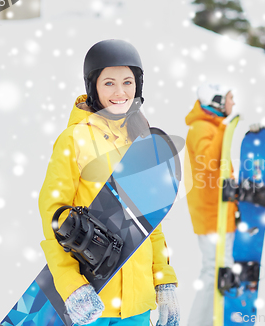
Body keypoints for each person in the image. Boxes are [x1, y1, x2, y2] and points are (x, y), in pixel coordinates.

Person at [38, 39, 180, 326]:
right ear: (94, 87)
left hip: (137, 305)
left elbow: (150, 222)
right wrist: (70, 284)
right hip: (92, 302)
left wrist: (164, 280)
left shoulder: (141, 140)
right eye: (109, 83)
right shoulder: (73, 139)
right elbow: (52, 215)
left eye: (128, 82)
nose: (120, 92)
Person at [184, 83, 238, 326]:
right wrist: (226, 128)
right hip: (210, 214)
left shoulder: (210, 127)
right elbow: (210, 162)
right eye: (229, 98)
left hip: (219, 211)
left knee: (218, 271)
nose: (233, 103)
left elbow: (220, 169)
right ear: (217, 100)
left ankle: (215, 319)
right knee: (213, 272)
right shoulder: (201, 128)